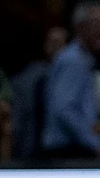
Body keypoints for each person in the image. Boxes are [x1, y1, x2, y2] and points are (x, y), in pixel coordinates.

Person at [39, 0, 100, 160]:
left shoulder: (84, 59)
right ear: (80, 27)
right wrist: (93, 141)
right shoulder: (73, 61)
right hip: (67, 151)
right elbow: (64, 109)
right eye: (97, 24)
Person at [10, 25, 66, 164]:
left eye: (60, 43)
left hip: (64, 152)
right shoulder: (26, 78)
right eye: (52, 42)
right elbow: (17, 118)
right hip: (28, 150)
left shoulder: (75, 77)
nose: (55, 48)